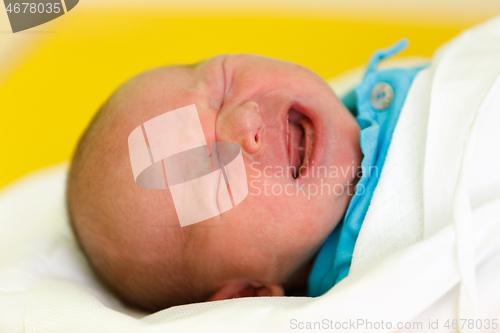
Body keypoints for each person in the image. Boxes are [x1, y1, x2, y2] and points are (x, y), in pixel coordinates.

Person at [67, 40, 421, 312]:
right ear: (246, 296)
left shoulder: (383, 89)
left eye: (222, 85)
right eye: (213, 174)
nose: (246, 120)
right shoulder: (381, 288)